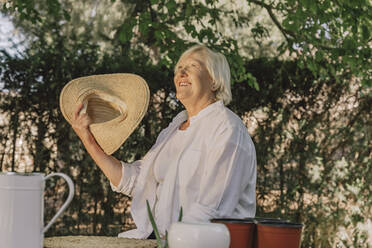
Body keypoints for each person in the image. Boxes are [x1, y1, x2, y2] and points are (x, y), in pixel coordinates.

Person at [71, 44, 257, 239]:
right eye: (178, 68)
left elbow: (215, 210)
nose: (181, 72)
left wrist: (171, 242)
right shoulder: (175, 127)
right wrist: (87, 139)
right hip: (160, 239)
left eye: (193, 66)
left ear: (214, 82)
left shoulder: (227, 129)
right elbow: (137, 181)